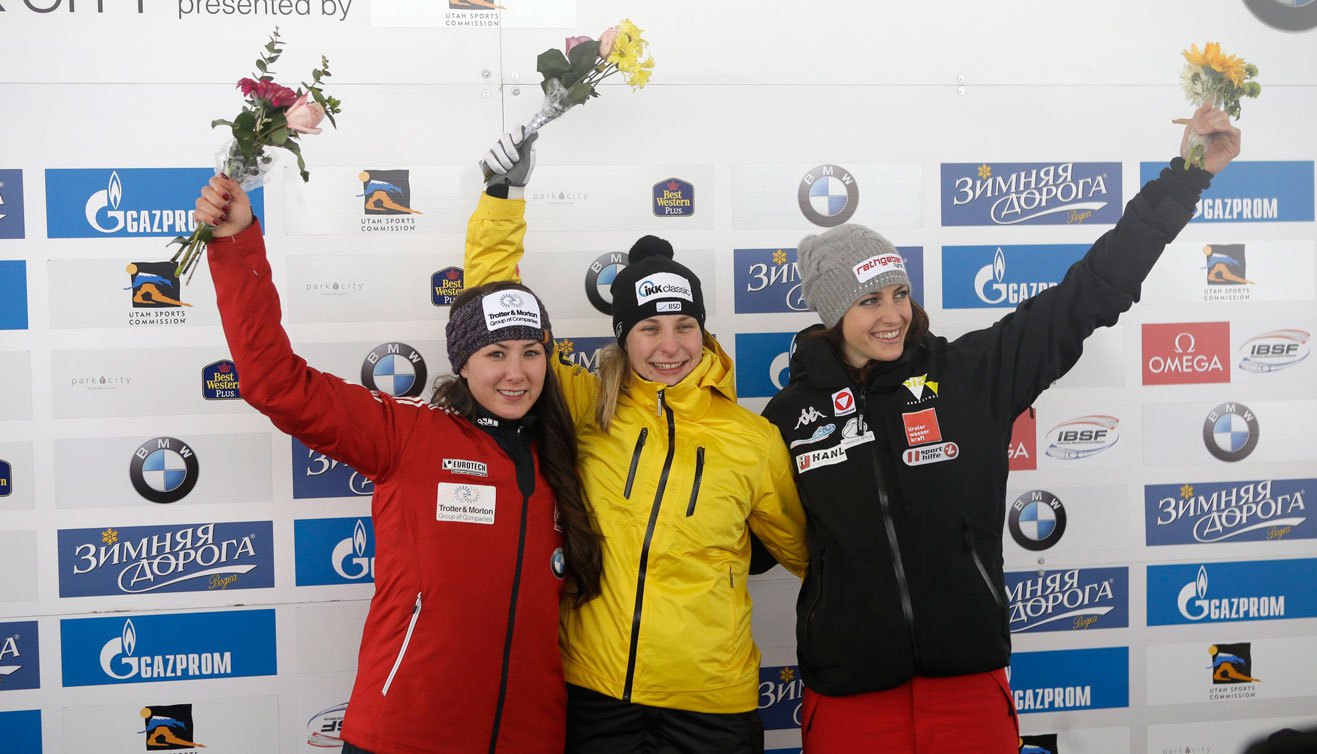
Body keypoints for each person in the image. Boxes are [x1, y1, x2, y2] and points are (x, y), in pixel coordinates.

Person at [759, 104, 1241, 753]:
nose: (893, 315)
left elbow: (1092, 292)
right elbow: (758, 542)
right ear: (831, 311)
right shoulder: (790, 416)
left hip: (966, 683)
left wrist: (1184, 176)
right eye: (869, 301)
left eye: (899, 294)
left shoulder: (971, 375)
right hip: (849, 696)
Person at [194, 174, 602, 754]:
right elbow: (276, 384)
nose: (516, 372)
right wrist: (236, 245)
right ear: (462, 363)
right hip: (405, 734)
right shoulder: (408, 435)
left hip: (529, 735)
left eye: (531, 352)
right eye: (495, 354)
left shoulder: (562, 454)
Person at [469, 128, 808, 753]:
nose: (671, 345)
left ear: (703, 332)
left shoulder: (751, 440)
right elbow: (494, 304)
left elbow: (814, 557)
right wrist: (502, 195)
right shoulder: (582, 403)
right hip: (596, 695)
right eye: (650, 328)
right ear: (623, 335)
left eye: (685, 326)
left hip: (711, 703)